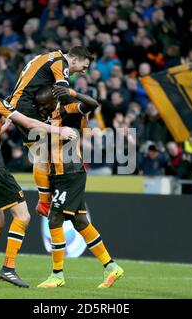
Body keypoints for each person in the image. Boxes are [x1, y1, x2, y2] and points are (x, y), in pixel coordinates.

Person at [0, 66, 77, 288]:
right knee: (22, 216)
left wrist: (3, 123)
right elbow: (28, 123)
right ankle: (9, 268)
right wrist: (59, 131)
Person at [34, 84, 124, 289]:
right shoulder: (47, 119)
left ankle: (57, 275)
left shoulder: (68, 110)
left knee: (55, 219)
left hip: (70, 173)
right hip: (60, 174)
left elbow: (93, 104)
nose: (41, 109)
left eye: (43, 105)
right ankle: (111, 267)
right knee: (81, 222)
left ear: (52, 102)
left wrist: (73, 94)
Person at [6, 46, 93, 217]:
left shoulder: (47, 57)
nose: (83, 72)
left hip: (20, 104)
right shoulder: (61, 63)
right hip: (26, 107)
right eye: (84, 67)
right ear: (74, 60)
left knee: (42, 152)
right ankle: (45, 201)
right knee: (44, 152)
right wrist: (78, 108)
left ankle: (45, 200)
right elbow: (63, 92)